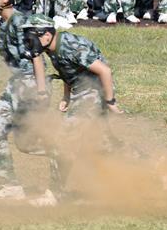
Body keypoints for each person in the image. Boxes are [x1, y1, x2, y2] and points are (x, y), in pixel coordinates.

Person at [20, 14, 126, 206]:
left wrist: (110, 102)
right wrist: (67, 96)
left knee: (63, 141)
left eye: (31, 36)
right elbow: (70, 72)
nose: (29, 42)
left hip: (93, 92)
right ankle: (157, 167)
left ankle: (54, 194)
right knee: (104, 145)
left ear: (46, 36)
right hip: (82, 91)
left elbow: (105, 71)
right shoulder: (51, 48)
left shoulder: (71, 46)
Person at [0, 0, 53, 200]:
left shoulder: (20, 22)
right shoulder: (5, 22)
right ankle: (10, 186)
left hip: (31, 84)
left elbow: (36, 57)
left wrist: (40, 92)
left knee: (28, 143)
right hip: (16, 85)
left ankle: (71, 155)